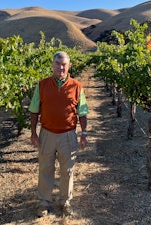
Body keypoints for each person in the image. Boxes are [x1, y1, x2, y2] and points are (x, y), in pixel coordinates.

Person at [28, 51, 89, 217]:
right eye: (58, 64)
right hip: (47, 133)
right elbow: (34, 110)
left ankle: (65, 201)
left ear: (69, 66)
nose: (61, 67)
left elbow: (82, 112)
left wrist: (83, 133)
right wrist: (33, 133)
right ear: (53, 65)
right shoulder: (42, 85)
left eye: (64, 64)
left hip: (68, 135)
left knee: (67, 170)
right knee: (45, 168)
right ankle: (44, 202)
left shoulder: (77, 86)